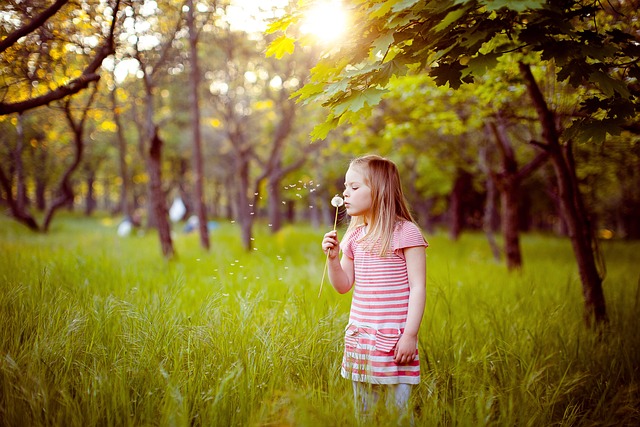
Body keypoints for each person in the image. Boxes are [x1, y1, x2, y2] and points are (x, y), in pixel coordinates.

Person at [321, 155, 428, 421]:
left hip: (394, 340)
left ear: (379, 190)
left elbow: (418, 287)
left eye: (355, 188)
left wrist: (410, 335)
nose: (346, 193)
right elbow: (343, 285)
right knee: (364, 413)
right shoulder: (354, 236)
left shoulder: (406, 232)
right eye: (346, 187)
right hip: (361, 338)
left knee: (399, 413)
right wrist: (333, 260)